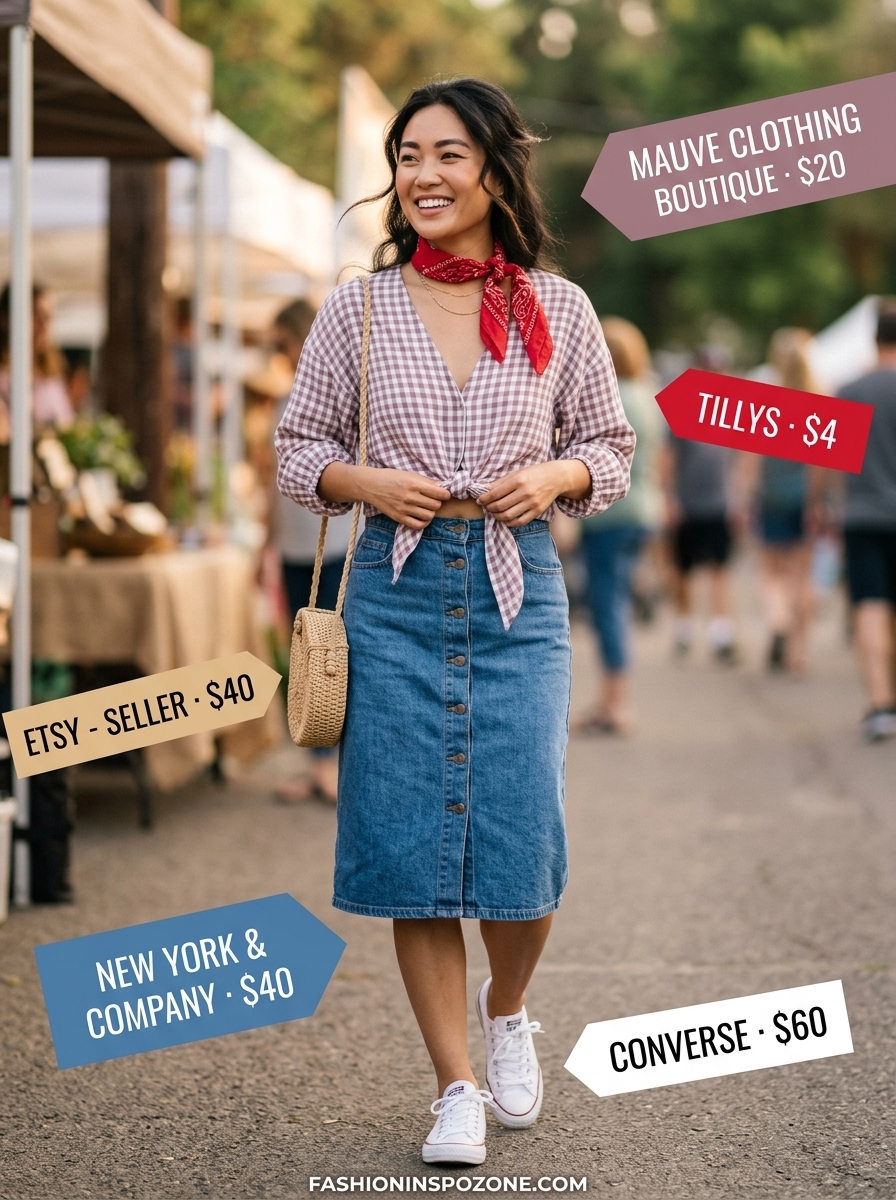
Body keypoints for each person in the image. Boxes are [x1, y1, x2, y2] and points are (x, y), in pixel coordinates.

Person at [276, 78, 633, 1166]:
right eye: (405, 156)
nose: (421, 175)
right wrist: (364, 482)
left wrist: (556, 472)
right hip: (392, 588)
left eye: (446, 154)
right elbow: (295, 450)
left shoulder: (556, 308)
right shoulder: (357, 308)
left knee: (523, 845)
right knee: (407, 846)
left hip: (514, 582)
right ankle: (455, 1087)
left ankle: (509, 1007)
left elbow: (612, 451)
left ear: (491, 170)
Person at [271, 300, 355, 803]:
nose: (278, 353)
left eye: (282, 342)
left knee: (331, 654)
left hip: (335, 539)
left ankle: (329, 765)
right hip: (292, 541)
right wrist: (265, 535)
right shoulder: (287, 398)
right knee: (303, 652)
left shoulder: (340, 397)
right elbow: (272, 473)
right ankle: (316, 758)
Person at [577, 316, 664, 733]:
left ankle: (615, 703)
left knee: (606, 606)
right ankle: (613, 698)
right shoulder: (648, 396)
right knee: (618, 604)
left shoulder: (616, 399)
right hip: (644, 510)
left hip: (612, 515)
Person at [837, 301, 896, 742]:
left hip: (861, 516)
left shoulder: (851, 389)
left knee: (870, 608)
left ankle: (880, 704)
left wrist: (818, 504)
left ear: (874, 338)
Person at [748, 328, 819, 674]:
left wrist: (745, 495)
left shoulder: (763, 399)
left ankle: (776, 621)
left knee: (772, 574)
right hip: (806, 498)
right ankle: (797, 652)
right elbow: (826, 465)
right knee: (801, 577)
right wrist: (820, 501)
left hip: (771, 496)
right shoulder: (821, 399)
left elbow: (752, 460)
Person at [660, 432, 738, 663]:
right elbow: (668, 460)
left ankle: (721, 634)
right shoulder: (680, 417)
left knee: (719, 569)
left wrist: (737, 500)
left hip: (718, 507)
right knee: (683, 571)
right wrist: (669, 499)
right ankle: (684, 628)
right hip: (687, 508)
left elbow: (734, 462)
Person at [0, 283, 74, 438]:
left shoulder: (51, 375)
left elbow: (67, 426)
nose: (44, 324)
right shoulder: (4, 377)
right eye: (35, 314)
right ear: (7, 318)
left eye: (48, 316)